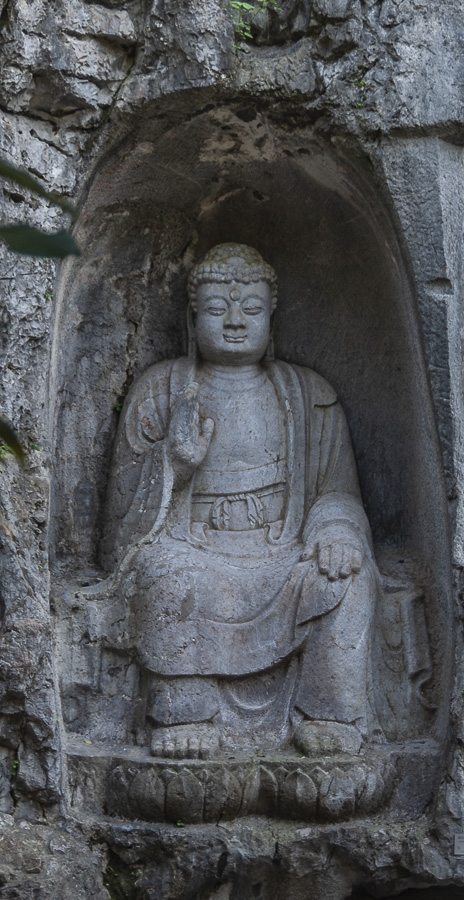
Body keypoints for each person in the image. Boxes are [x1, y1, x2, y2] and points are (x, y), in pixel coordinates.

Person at [101, 243, 379, 759]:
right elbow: (120, 529)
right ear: (192, 317)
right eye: (215, 309)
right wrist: (173, 465)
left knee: (346, 578)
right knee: (165, 575)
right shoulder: (159, 392)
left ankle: (326, 712)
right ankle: (187, 709)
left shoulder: (310, 396)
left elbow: (336, 491)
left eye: (250, 309)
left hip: (282, 550)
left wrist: (335, 533)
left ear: (271, 315)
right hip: (194, 549)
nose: (233, 322)